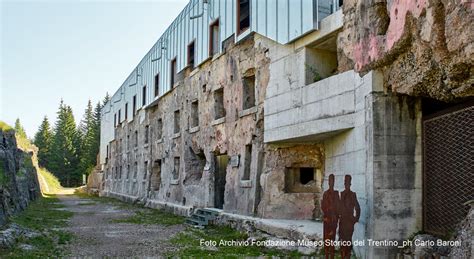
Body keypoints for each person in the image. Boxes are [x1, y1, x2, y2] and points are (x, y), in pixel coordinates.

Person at [339, 175, 360, 259]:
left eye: (347, 182)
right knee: (342, 240)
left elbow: (357, 207)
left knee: (348, 240)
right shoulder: (342, 194)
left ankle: (347, 255)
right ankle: (343, 256)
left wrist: (355, 219)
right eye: (345, 182)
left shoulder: (352, 194)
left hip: (349, 222)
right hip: (343, 221)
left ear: (350, 184)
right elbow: (339, 207)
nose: (346, 184)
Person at [321, 174, 340, 259]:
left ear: (334, 182)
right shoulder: (325, 193)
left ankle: (331, 254)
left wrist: (336, 215)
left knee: (332, 237)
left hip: (333, 219)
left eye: (332, 181)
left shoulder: (336, 194)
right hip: (327, 219)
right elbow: (323, 206)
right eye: (330, 181)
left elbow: (338, 206)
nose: (331, 182)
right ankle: (326, 254)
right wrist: (326, 212)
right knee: (326, 237)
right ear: (328, 182)